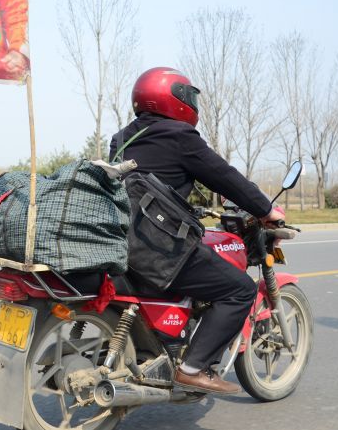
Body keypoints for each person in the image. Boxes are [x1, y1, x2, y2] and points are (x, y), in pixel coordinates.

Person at [109, 66, 285, 395]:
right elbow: (223, 175)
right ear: (173, 99)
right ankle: (193, 367)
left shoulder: (122, 138)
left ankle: (165, 346)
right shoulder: (179, 136)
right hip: (157, 250)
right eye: (187, 96)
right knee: (240, 290)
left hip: (122, 245)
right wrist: (265, 209)